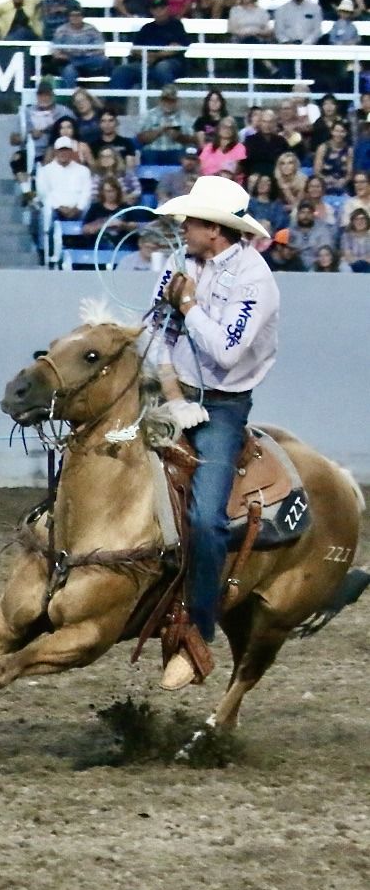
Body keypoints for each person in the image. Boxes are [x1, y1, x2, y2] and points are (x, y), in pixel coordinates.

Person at [151, 176, 279, 690]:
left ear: (216, 230)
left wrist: (187, 306)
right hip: (171, 390)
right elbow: (158, 331)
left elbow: (227, 350)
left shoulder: (256, 281)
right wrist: (173, 397)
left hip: (224, 405)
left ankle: (196, 631)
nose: (183, 227)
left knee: (206, 517)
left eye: (192, 221)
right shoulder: (179, 264)